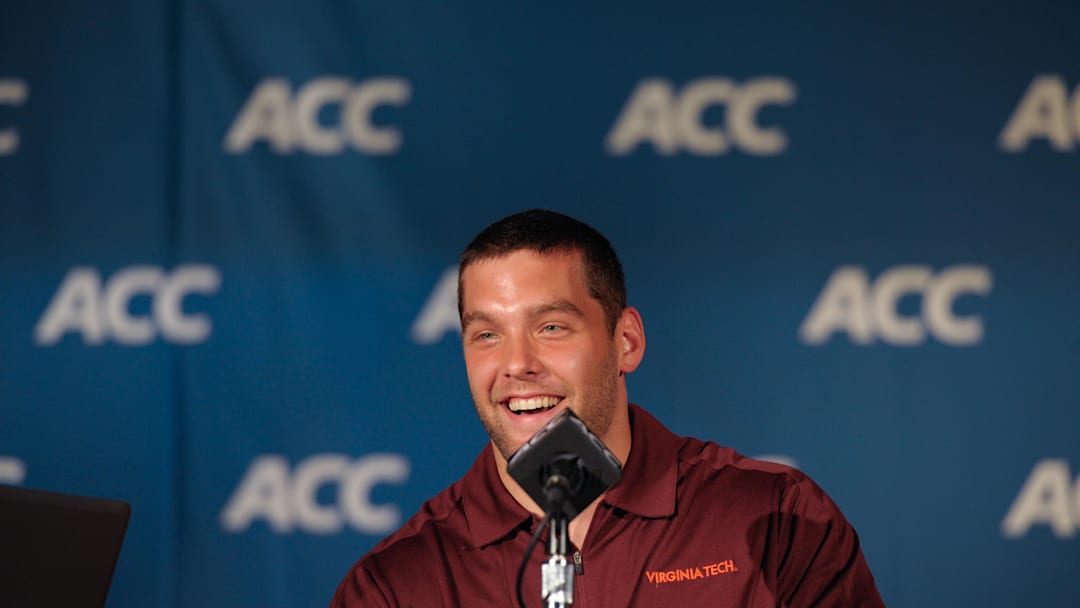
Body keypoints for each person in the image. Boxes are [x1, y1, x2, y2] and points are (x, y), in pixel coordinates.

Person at [330, 209, 884, 607]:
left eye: (551, 328)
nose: (516, 364)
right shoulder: (394, 587)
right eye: (486, 335)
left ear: (626, 341)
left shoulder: (778, 521)